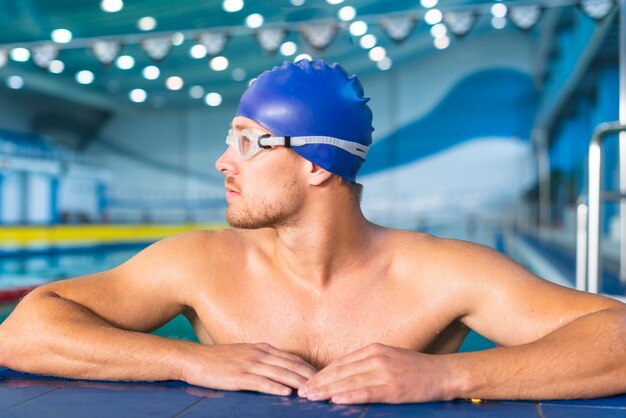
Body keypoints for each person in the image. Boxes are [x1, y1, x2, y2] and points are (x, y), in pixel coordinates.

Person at [1, 59, 625, 405]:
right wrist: (193, 361)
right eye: (228, 141)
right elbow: (25, 331)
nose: (224, 161)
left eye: (247, 141)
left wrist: (448, 377)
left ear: (316, 165)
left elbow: (615, 336)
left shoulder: (442, 273)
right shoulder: (197, 264)